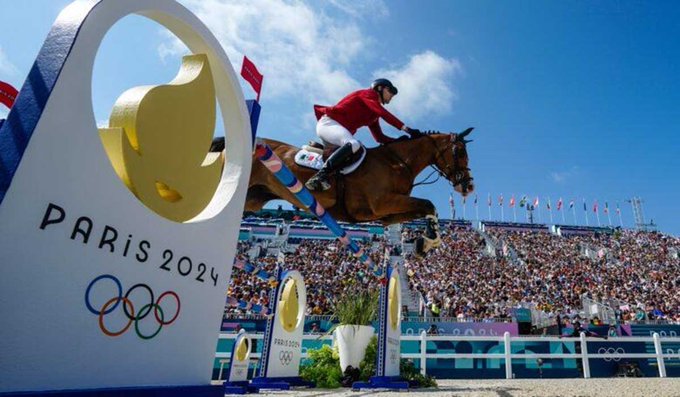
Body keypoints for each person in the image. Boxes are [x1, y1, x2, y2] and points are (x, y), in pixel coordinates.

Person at [305, 78, 421, 191]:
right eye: (390, 91)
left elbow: (379, 138)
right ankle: (319, 177)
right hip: (329, 124)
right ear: (379, 88)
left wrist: (398, 141)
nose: (392, 95)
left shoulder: (373, 115)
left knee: (355, 155)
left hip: (336, 131)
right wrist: (406, 129)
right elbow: (383, 113)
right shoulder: (368, 94)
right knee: (354, 144)